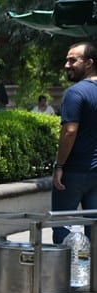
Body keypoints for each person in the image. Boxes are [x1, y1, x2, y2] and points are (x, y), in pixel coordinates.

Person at [52, 41, 97, 244]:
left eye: (72, 60)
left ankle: (60, 275)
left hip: (74, 172)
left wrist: (59, 165)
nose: (67, 65)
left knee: (62, 226)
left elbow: (69, 132)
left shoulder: (75, 93)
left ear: (89, 62)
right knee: (94, 231)